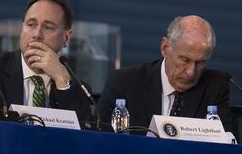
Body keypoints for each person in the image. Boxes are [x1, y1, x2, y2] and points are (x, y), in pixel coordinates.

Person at [0, 0, 92, 124]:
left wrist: (62, 81)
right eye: (30, 25)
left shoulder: (79, 90)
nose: (37, 34)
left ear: (66, 38)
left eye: (48, 27)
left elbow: (81, 141)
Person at [96, 15, 232, 133]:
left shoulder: (215, 87)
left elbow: (225, 147)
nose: (191, 72)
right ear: (165, 48)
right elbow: (98, 140)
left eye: (200, 62)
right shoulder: (124, 83)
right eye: (185, 60)